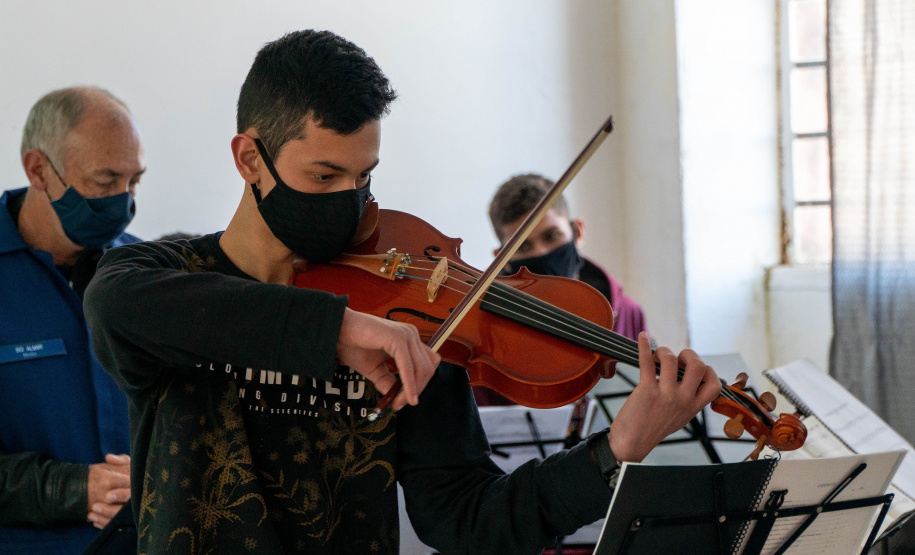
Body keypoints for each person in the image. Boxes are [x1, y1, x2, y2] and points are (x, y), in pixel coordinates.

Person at [84, 30, 720, 554]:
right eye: (324, 174)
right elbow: (111, 306)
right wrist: (340, 329)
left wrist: (616, 450)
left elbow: (467, 517)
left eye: (364, 175)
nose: (349, 199)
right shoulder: (167, 279)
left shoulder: (410, 315)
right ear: (250, 159)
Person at [0, 87, 144, 553]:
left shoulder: (145, 274)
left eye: (133, 181)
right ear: (39, 169)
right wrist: (67, 490)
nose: (121, 201)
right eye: (104, 183)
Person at [475, 174, 648, 408]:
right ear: (501, 259)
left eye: (552, 236)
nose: (541, 252)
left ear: (577, 231)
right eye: (522, 246)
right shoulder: (484, 331)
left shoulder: (629, 312)